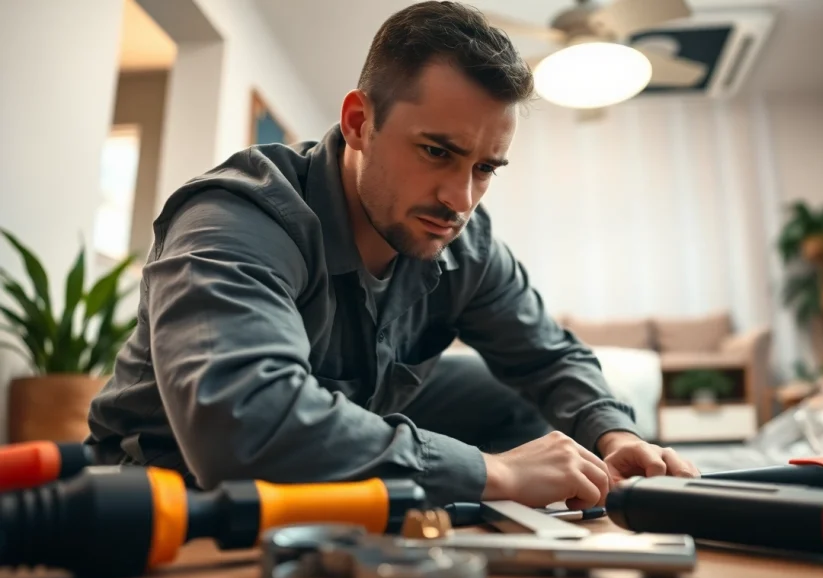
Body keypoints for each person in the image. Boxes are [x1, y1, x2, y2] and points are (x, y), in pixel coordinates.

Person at [85, 0, 699, 508]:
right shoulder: (235, 217)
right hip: (171, 497)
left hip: (341, 491)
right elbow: (242, 423)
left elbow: (548, 355)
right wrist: (492, 472)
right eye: (437, 151)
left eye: (485, 168)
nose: (460, 199)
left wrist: (615, 433)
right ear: (359, 122)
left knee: (521, 402)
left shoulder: (466, 240)